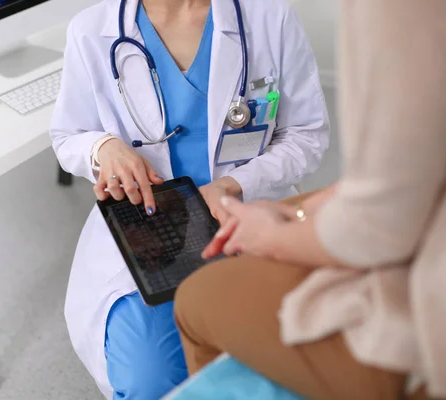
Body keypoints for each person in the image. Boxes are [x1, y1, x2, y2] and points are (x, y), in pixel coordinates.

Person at [174, 0, 446, 399]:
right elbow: (430, 160)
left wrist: (270, 233)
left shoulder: (388, 10)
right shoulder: (93, 30)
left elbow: (378, 228)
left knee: (196, 299)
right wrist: (297, 211)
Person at [49, 0, 330, 398]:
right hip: (151, 230)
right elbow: (67, 136)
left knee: (285, 361)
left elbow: (306, 134)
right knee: (149, 382)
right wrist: (102, 147)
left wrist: (235, 185)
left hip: (248, 216)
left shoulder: (268, 16)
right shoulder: (91, 30)